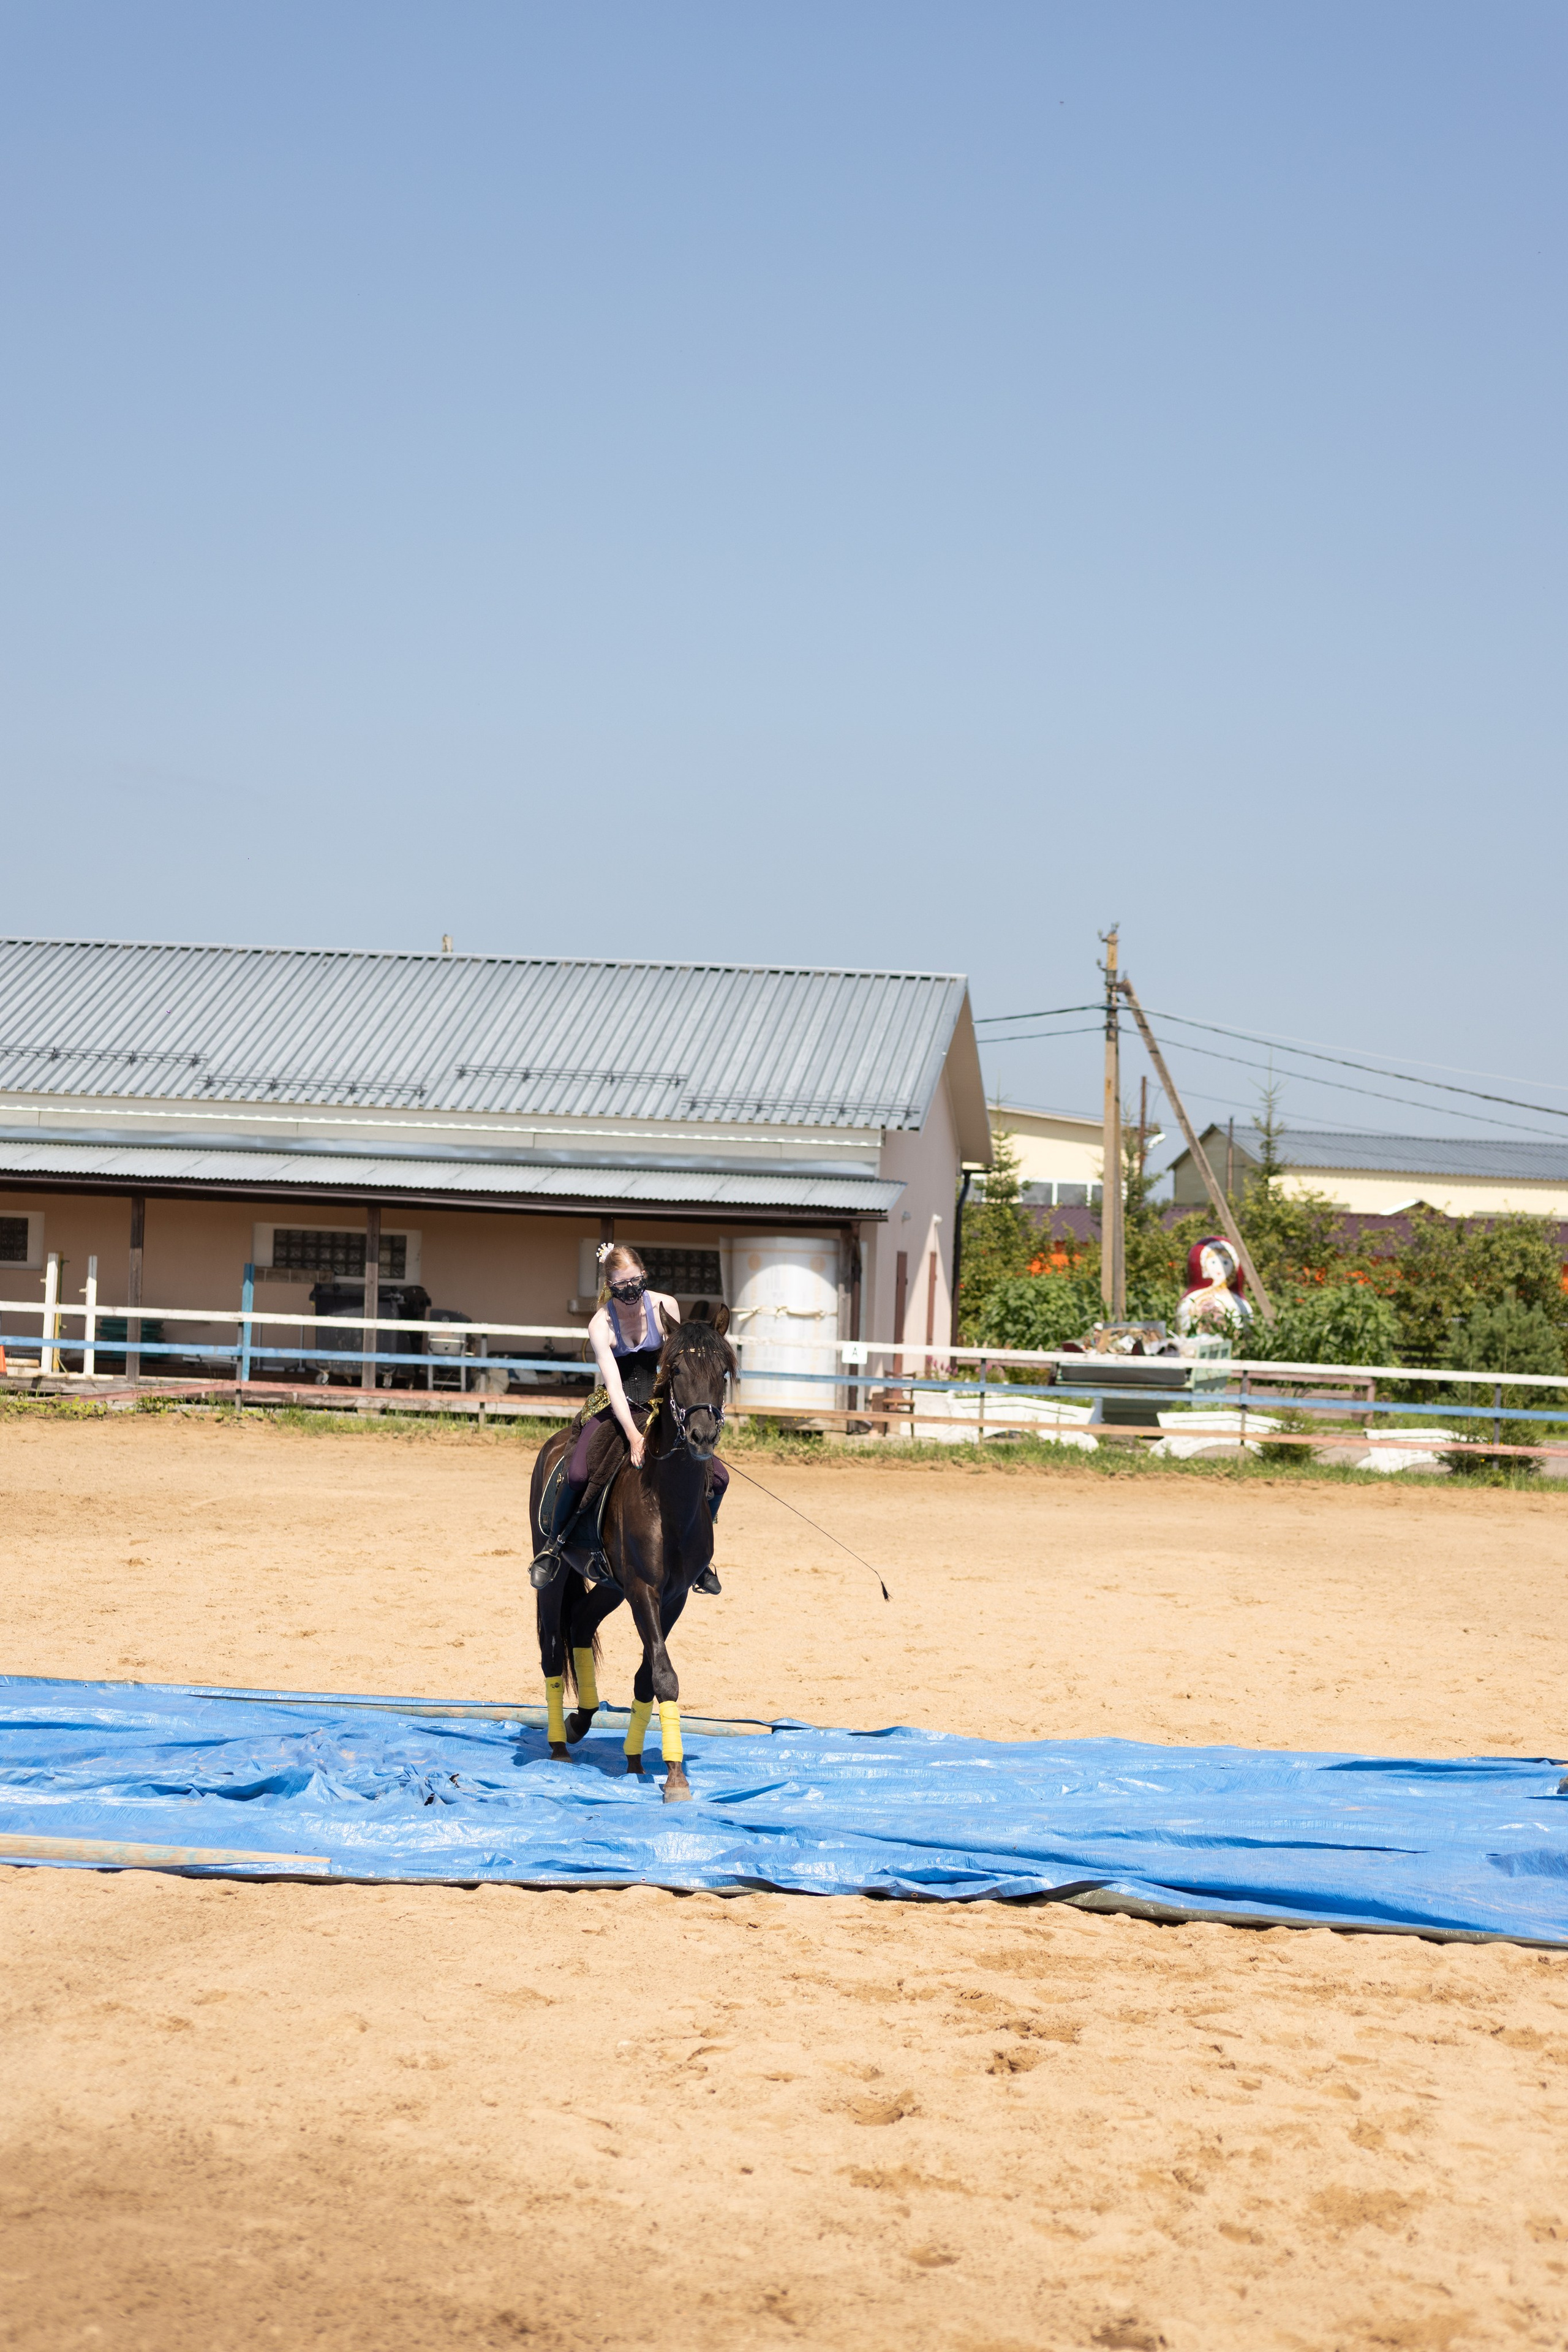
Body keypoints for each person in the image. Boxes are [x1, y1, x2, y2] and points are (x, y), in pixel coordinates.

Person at [529, 1242, 726, 1592]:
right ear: (610, 1285)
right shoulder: (600, 1324)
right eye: (621, 1284)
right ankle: (554, 1546)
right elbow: (615, 1386)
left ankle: (698, 1556)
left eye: (635, 1280)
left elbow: (680, 1363)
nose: (631, 1289)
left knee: (720, 1478)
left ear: (644, 1275)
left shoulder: (666, 1306)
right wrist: (634, 1437)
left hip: (659, 1404)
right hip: (617, 1403)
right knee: (578, 1473)